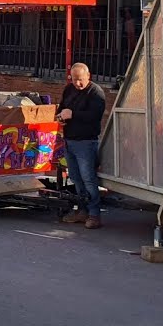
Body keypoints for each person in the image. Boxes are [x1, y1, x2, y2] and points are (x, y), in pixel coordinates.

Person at [57, 62, 107, 229]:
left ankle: (94, 214)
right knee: (75, 178)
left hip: (86, 141)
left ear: (88, 76)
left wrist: (73, 114)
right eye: (74, 80)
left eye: (80, 80)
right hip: (69, 139)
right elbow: (62, 107)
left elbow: (95, 115)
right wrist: (61, 117)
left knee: (88, 179)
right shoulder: (68, 89)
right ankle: (82, 210)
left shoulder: (96, 92)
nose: (77, 83)